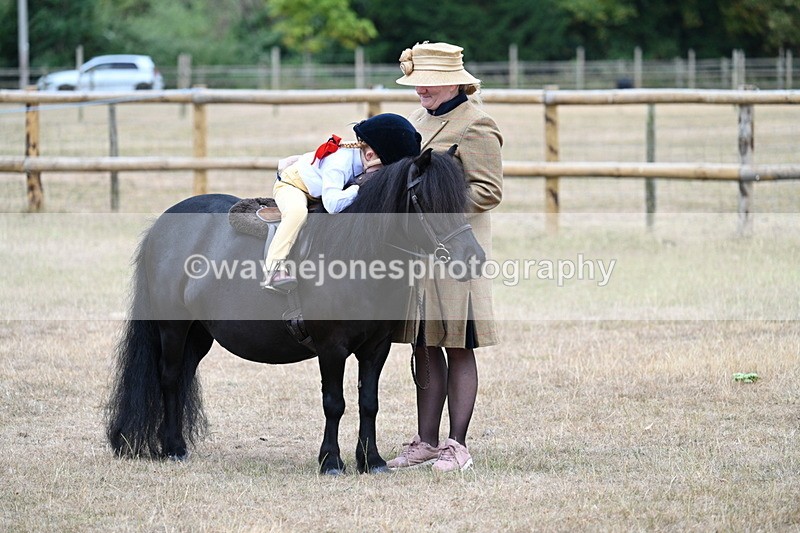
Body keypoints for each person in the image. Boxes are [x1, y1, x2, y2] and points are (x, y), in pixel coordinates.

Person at [386, 42, 504, 473]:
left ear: (454, 81)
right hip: (418, 253)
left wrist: (433, 202)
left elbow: (488, 192)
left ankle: (458, 444)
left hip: (457, 252)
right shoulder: (418, 120)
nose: (420, 91)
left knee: (458, 345)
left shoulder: (477, 124)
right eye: (416, 84)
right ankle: (426, 441)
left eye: (427, 84)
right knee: (424, 343)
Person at [263, 113, 422, 292]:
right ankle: (274, 268)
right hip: (293, 186)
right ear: (370, 156)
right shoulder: (339, 164)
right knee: (296, 213)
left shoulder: (361, 160)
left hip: (318, 191)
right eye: (382, 171)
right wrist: (359, 189)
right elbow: (332, 205)